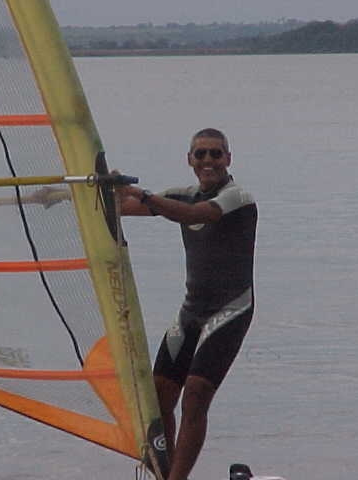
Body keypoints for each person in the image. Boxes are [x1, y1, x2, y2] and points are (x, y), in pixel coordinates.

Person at [116, 128, 258, 480]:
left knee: (195, 394)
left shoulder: (237, 197)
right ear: (190, 160)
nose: (208, 161)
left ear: (228, 159)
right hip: (192, 311)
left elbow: (196, 215)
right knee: (158, 397)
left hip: (231, 310)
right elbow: (123, 207)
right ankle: (166, 473)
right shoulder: (182, 194)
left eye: (215, 154)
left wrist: (146, 196)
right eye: (201, 154)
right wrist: (66, 195)